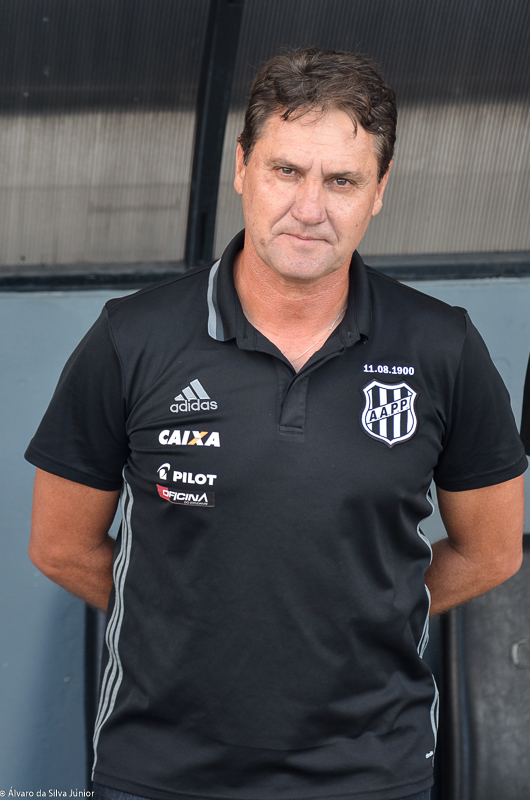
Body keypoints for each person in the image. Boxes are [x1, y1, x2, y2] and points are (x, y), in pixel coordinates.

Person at [26, 47, 526, 800]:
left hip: (369, 771)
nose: (310, 208)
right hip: (160, 768)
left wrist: (364, 614)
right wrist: (187, 627)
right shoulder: (133, 338)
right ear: (242, 168)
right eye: (286, 170)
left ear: (380, 189)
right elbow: (60, 546)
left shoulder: (441, 346)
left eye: (342, 180)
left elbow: (491, 551)